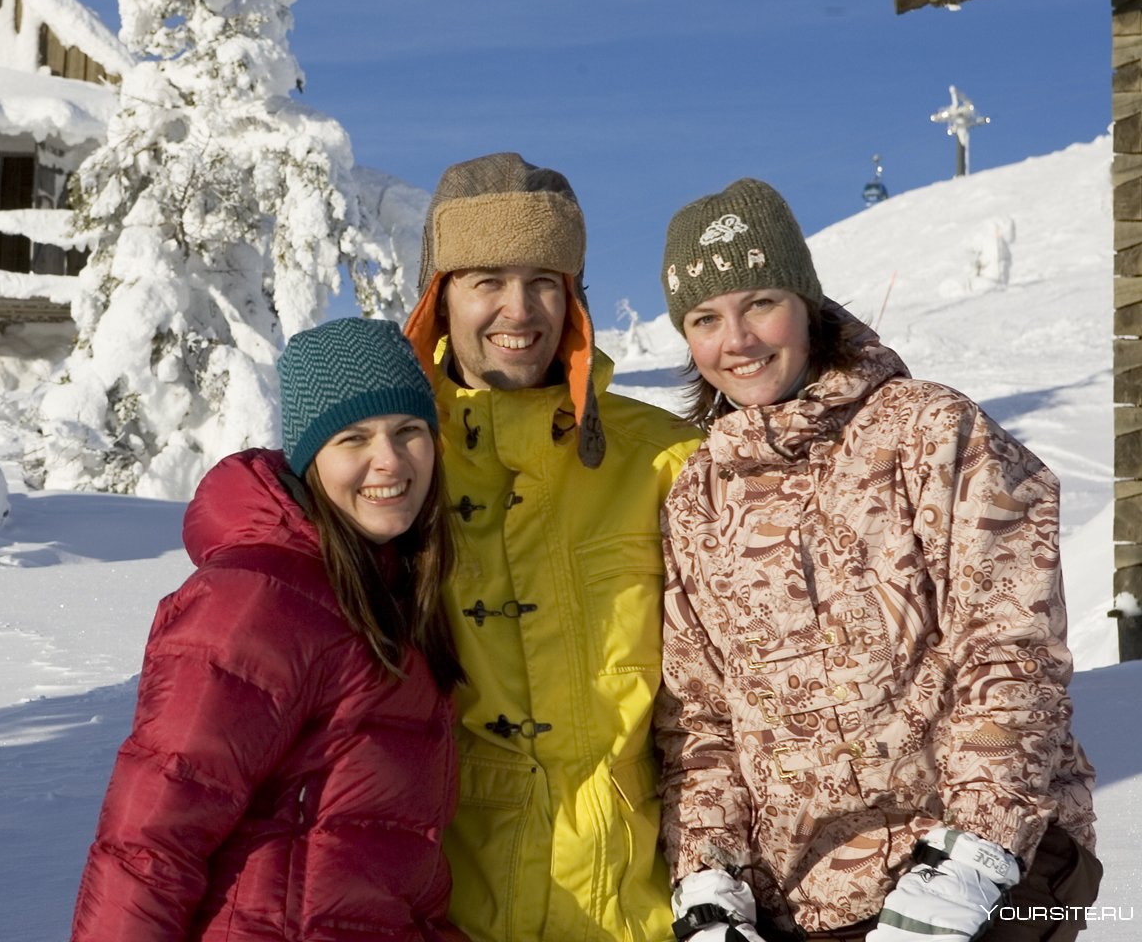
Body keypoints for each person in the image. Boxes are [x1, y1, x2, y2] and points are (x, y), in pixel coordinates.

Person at [654, 178, 1100, 942]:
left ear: (807, 304)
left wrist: (971, 858)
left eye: (760, 301)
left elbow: (1010, 652)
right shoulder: (699, 495)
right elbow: (702, 716)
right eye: (705, 318)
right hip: (807, 903)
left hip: (997, 865)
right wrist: (709, 881)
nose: (737, 340)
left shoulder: (928, 430)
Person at [70, 316, 469, 942]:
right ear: (310, 459)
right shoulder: (257, 600)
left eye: (409, 431)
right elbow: (149, 840)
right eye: (353, 438)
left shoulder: (394, 585)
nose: (388, 460)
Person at [401, 153, 703, 942]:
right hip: (446, 907)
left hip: (635, 905)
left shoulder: (667, 460)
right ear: (440, 297)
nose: (519, 308)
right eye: (486, 280)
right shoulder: (395, 468)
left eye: (544, 279)